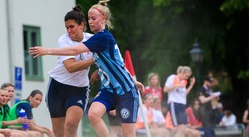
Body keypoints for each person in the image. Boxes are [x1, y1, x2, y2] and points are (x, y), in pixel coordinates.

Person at [28, 0, 144, 136]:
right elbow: (75, 66)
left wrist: (46, 51)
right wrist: (98, 69)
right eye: (89, 18)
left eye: (93, 18)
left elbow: (75, 51)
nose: (91, 21)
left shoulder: (100, 38)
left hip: (120, 90)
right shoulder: (73, 39)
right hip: (91, 88)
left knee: (126, 133)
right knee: (92, 115)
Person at [46, 5, 94, 137]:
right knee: (59, 133)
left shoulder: (92, 40)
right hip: (57, 87)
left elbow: (109, 58)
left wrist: (97, 71)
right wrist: (93, 61)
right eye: (66, 28)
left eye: (71, 27)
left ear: (81, 25)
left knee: (71, 124)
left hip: (78, 89)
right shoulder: (64, 40)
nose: (69, 31)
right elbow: (70, 67)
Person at [163, 66, 195, 136]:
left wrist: (191, 86)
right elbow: (165, 89)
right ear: (182, 73)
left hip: (182, 104)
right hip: (174, 103)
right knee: (180, 128)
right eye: (186, 76)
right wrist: (176, 85)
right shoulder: (173, 77)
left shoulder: (184, 82)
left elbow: (184, 93)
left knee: (183, 129)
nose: (187, 78)